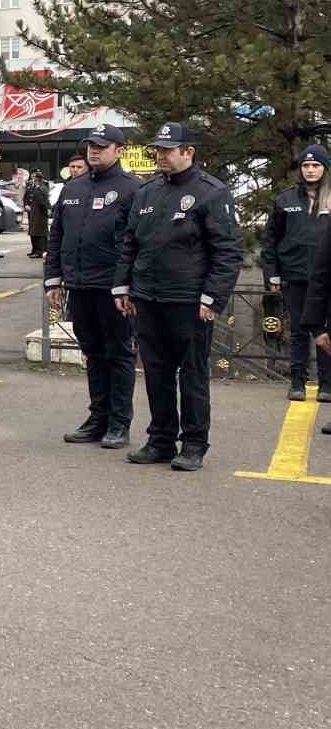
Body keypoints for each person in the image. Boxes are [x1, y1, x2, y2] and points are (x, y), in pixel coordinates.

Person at [113, 121, 242, 471]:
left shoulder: (211, 193)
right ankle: (161, 440)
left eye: (169, 151)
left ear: (189, 152)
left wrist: (212, 298)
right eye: (159, 150)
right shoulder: (147, 192)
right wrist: (122, 286)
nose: (161, 156)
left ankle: (195, 444)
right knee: (156, 372)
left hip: (189, 302)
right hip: (148, 298)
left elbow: (227, 251)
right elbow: (130, 244)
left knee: (193, 374)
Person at [45, 125, 143, 450]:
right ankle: (97, 418)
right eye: (90, 146)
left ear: (119, 150)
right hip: (79, 285)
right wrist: (53, 278)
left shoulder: (132, 189)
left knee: (119, 354)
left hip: (113, 290)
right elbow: (57, 235)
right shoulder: (73, 187)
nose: (94, 151)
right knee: (93, 354)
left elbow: (138, 243)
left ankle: (119, 423)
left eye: (101, 146)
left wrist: (128, 286)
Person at [261, 146, 331, 400]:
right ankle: (298, 383)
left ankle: (327, 385)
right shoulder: (286, 200)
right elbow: (270, 241)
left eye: (316, 166)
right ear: (300, 169)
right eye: (306, 166)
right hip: (295, 276)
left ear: (325, 169)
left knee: (326, 332)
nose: (310, 170)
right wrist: (272, 275)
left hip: (326, 279)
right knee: (300, 330)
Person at [23, 170, 50, 258]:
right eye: (32, 176)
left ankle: (40, 251)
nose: (33, 178)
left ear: (38, 178)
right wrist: (26, 205)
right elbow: (26, 196)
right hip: (34, 212)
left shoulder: (41, 187)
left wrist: (47, 210)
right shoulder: (33, 186)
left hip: (39, 213)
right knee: (34, 231)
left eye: (35, 177)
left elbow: (43, 201)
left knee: (39, 232)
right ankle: (36, 250)